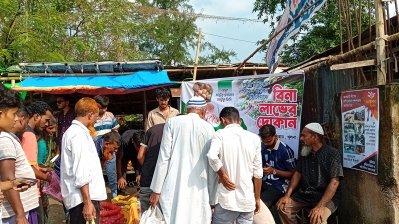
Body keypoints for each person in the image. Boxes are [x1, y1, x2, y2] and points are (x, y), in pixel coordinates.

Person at [149, 96, 216, 224]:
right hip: (199, 188)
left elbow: (164, 158)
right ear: (203, 112)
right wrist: (212, 198)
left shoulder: (172, 122)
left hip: (174, 186)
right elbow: (212, 164)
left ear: (187, 110)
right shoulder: (209, 128)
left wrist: (156, 190)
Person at [276, 123, 343, 224]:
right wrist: (287, 195)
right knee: (282, 208)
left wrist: (320, 207)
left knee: (318, 219)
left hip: (326, 197)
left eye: (304, 135)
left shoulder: (332, 154)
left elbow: (334, 183)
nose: (301, 138)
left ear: (314, 137)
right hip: (305, 194)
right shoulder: (304, 152)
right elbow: (297, 174)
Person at [207, 107, 263, 224]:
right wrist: (257, 198)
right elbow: (258, 173)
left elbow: (212, 156)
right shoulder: (254, 138)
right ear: (240, 121)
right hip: (247, 199)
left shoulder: (220, 134)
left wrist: (222, 175)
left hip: (227, 199)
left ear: (223, 120)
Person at [60, 97, 107, 224]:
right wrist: (87, 203)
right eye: (97, 116)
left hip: (82, 198)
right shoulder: (78, 135)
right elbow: (81, 171)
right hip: (82, 199)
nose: (96, 120)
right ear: (90, 115)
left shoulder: (75, 132)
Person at [0, 85, 39, 224]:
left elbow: (6, 180)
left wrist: (13, 183)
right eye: (13, 114)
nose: (16, 119)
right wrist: (20, 214)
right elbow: (6, 175)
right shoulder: (4, 140)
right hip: (13, 213)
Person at [258, 124, 296, 208]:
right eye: (263, 141)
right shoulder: (263, 147)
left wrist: (274, 171)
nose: (266, 144)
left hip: (279, 185)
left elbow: (293, 174)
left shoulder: (285, 151)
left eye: (268, 141)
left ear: (275, 136)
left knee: (261, 205)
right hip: (265, 181)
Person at [93, 95, 119, 198]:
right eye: (102, 107)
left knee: (111, 172)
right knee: (96, 172)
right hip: (96, 150)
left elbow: (115, 130)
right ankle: (98, 195)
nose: (104, 109)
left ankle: (114, 194)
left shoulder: (110, 116)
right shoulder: (92, 118)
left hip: (110, 149)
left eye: (106, 107)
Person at [136, 123, 164, 212]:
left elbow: (140, 156)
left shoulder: (153, 129)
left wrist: (147, 168)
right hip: (164, 183)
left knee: (147, 216)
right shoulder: (177, 132)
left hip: (147, 180)